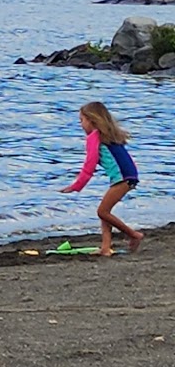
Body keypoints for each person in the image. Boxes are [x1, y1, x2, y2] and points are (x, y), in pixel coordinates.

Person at [62, 101, 143, 255]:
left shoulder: (94, 137)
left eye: (82, 120)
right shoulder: (109, 136)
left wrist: (76, 186)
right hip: (128, 176)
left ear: (92, 120)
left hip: (122, 178)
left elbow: (89, 165)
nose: (81, 125)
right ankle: (105, 248)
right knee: (105, 211)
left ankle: (134, 234)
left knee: (102, 212)